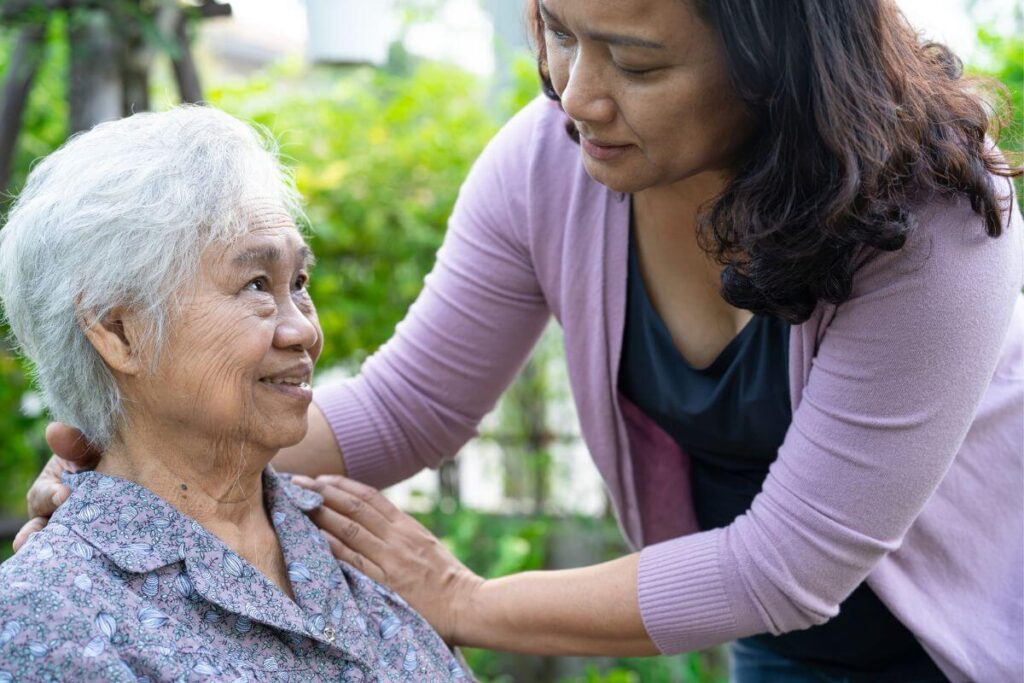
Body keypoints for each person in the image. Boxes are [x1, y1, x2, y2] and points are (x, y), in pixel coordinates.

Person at [19, 0, 1024, 681]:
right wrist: (135, 464)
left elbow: (787, 562)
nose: (577, 93)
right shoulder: (550, 165)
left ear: (776, 59)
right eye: (555, 29)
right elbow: (406, 409)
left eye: (635, 61)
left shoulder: (930, 216)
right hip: (783, 643)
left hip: (982, 637)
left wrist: (463, 598)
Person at [0, 107, 469, 681]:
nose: (304, 331)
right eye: (255, 285)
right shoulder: (49, 617)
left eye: (299, 283)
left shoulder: (359, 543)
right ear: (118, 331)